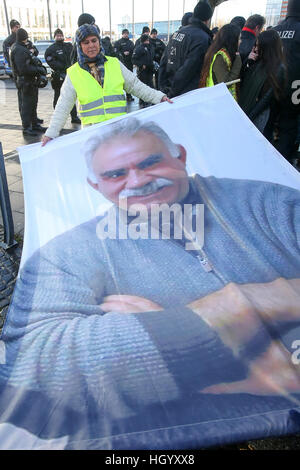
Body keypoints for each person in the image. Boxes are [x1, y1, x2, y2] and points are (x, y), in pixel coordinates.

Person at [2, 116, 300, 448]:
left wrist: (160, 338)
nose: (138, 180)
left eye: (150, 162)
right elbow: (32, 371)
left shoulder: (267, 204)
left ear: (181, 157)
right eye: (116, 174)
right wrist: (233, 311)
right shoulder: (70, 254)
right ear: (95, 186)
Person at [42, 25, 171, 146]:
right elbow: (63, 106)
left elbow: (136, 86)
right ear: (79, 46)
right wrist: (51, 133)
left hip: (119, 133)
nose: (91, 45)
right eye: (86, 42)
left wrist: (159, 97)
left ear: (99, 42)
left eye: (94, 40)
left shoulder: (114, 64)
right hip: (93, 138)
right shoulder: (74, 73)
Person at [158, 0, 213, 98]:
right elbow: (188, 69)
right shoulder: (202, 38)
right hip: (186, 93)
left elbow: (164, 62)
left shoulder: (177, 33)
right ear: (208, 19)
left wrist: (163, 89)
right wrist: (172, 93)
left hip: (170, 90)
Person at [239, 29, 286, 134]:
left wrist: (248, 118)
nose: (256, 49)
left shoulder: (278, 68)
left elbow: (265, 100)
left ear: (267, 47)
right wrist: (247, 62)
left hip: (261, 117)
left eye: (258, 46)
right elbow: (242, 83)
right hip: (248, 111)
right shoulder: (258, 62)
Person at [273, 0, 300, 163]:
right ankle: (282, 164)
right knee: (289, 127)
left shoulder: (275, 31)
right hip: (295, 89)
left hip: (272, 86)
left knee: (270, 123)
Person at [10, 28, 47, 136]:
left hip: (29, 81)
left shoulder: (19, 47)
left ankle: (34, 124)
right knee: (26, 105)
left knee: (32, 103)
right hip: (26, 81)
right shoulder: (19, 50)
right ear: (24, 38)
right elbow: (23, 69)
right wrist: (39, 70)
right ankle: (27, 127)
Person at [45, 28, 81, 125]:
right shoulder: (51, 49)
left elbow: (75, 56)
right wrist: (62, 68)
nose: (59, 37)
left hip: (69, 74)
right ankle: (57, 118)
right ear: (55, 37)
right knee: (58, 97)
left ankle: (74, 116)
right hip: (58, 76)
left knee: (71, 95)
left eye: (61, 35)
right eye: (57, 35)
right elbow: (50, 61)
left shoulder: (68, 46)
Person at [199, 24, 242, 100]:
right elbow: (225, 83)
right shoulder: (220, 56)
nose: (240, 42)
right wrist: (238, 61)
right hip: (217, 101)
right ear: (232, 40)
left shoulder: (221, 53)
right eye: (239, 39)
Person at [132, 33, 155, 107]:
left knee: (150, 86)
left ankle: (150, 100)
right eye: (146, 40)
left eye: (148, 40)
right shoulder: (139, 48)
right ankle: (142, 101)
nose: (147, 42)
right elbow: (134, 59)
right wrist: (141, 65)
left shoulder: (151, 47)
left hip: (150, 69)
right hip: (142, 71)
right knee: (143, 86)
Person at [113, 28, 135, 101]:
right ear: (122, 34)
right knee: (120, 81)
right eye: (124, 33)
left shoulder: (131, 43)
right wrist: (122, 53)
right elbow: (115, 53)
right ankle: (120, 96)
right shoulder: (118, 42)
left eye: (127, 33)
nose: (126, 35)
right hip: (121, 64)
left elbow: (134, 52)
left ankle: (129, 96)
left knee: (129, 80)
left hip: (129, 64)